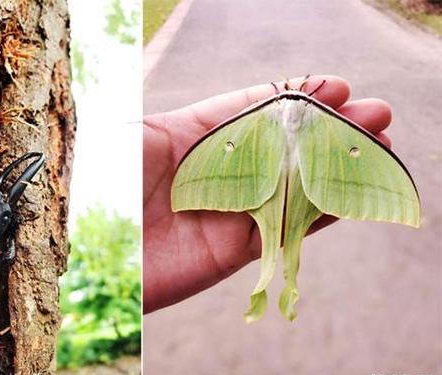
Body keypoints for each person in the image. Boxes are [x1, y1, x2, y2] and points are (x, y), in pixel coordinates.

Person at [143, 75, 393, 313]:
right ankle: (282, 293)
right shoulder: (318, 118)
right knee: (289, 238)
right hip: (291, 176)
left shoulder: (261, 114)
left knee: (283, 238)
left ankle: (268, 295)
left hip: (292, 179)